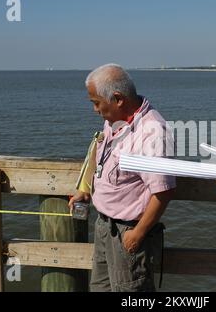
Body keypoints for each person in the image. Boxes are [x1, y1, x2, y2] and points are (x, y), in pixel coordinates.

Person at [69, 63, 176, 292]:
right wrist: (86, 188)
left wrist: (138, 234)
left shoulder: (153, 132)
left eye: (96, 103)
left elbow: (164, 192)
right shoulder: (114, 120)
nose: (95, 109)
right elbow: (101, 154)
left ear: (117, 98)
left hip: (128, 232)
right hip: (104, 225)